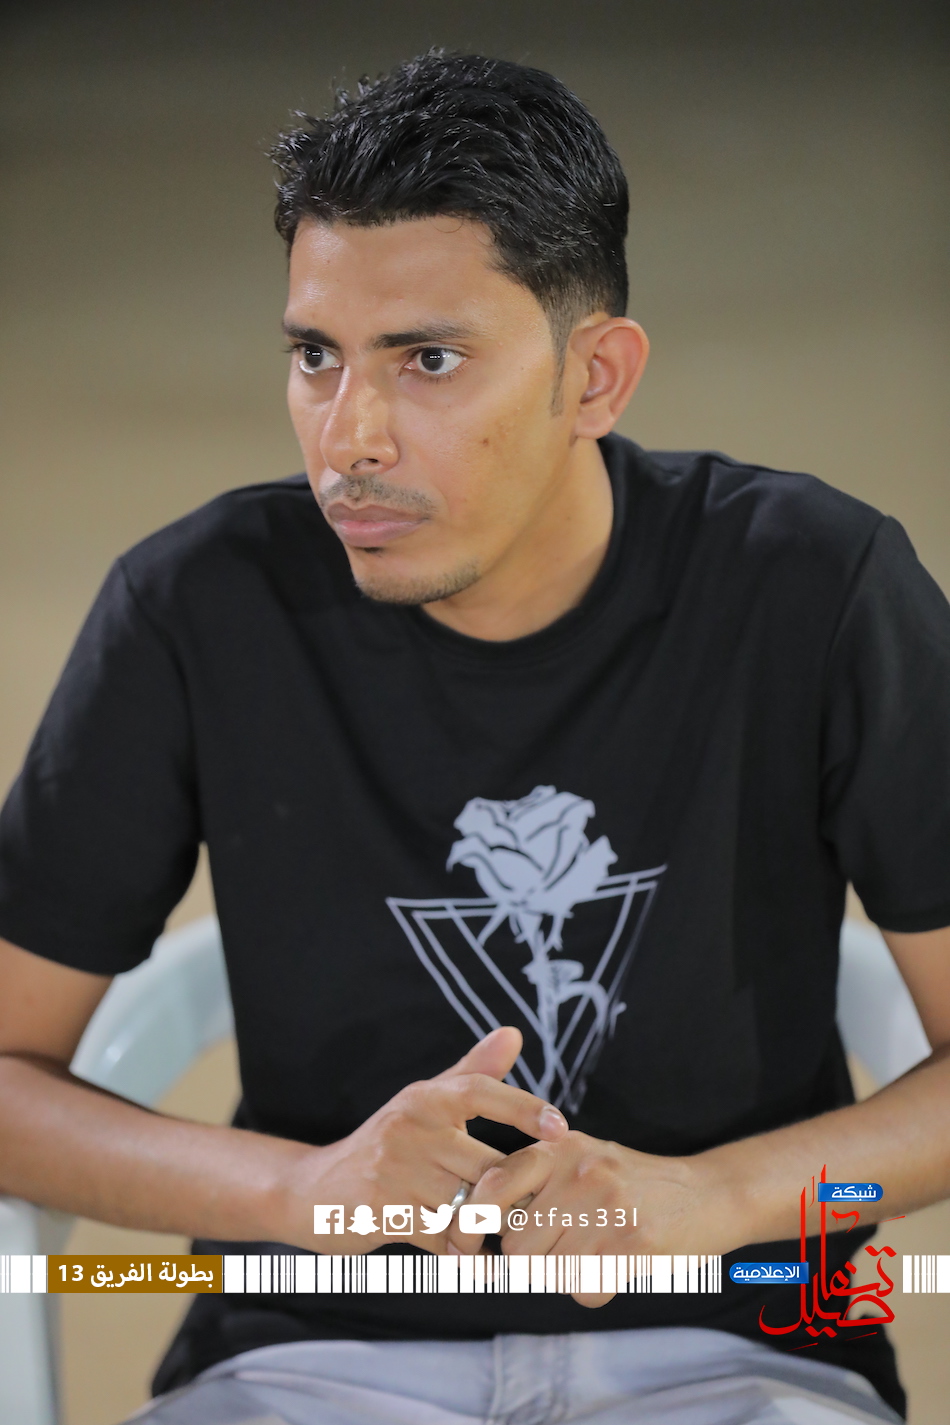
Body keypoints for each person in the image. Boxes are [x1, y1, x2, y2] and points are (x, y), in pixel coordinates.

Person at [0, 49, 948, 1425]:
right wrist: (303, 1188)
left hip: (743, 1354)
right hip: (304, 1364)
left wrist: (717, 1197)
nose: (349, 439)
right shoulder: (197, 606)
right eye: (314, 356)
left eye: (428, 360)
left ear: (596, 377)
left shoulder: (816, 587)